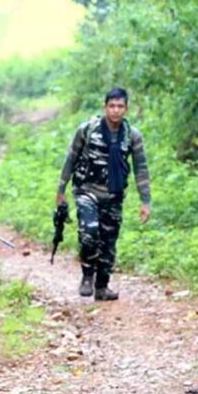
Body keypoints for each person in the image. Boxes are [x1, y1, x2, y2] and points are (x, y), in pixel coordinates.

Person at [57, 87, 151, 301]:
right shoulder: (87, 130)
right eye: (112, 106)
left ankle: (102, 287)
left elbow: (141, 168)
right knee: (89, 232)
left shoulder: (132, 136)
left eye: (120, 106)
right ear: (105, 107)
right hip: (86, 190)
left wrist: (145, 201)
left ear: (126, 109)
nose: (116, 110)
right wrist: (61, 190)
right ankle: (87, 275)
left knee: (109, 242)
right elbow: (71, 158)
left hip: (113, 195)